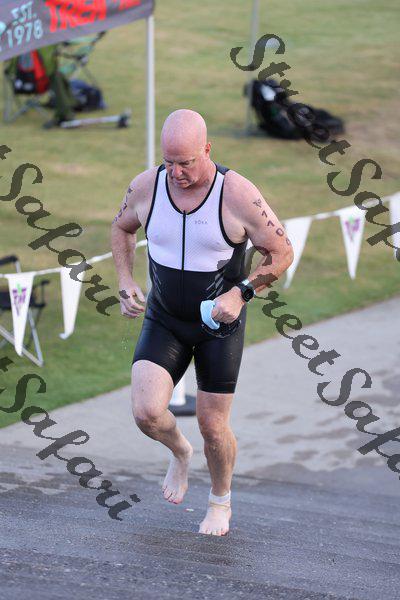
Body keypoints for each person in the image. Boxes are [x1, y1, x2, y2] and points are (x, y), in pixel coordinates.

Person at [111, 109, 293, 536]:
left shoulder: (237, 193)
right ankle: (180, 452)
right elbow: (121, 229)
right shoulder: (147, 186)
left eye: (186, 163)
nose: (176, 173)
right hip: (165, 318)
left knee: (213, 426)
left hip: (219, 325)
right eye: (169, 162)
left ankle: (219, 501)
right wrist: (124, 279)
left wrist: (242, 292)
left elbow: (282, 252)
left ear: (207, 150)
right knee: (146, 413)